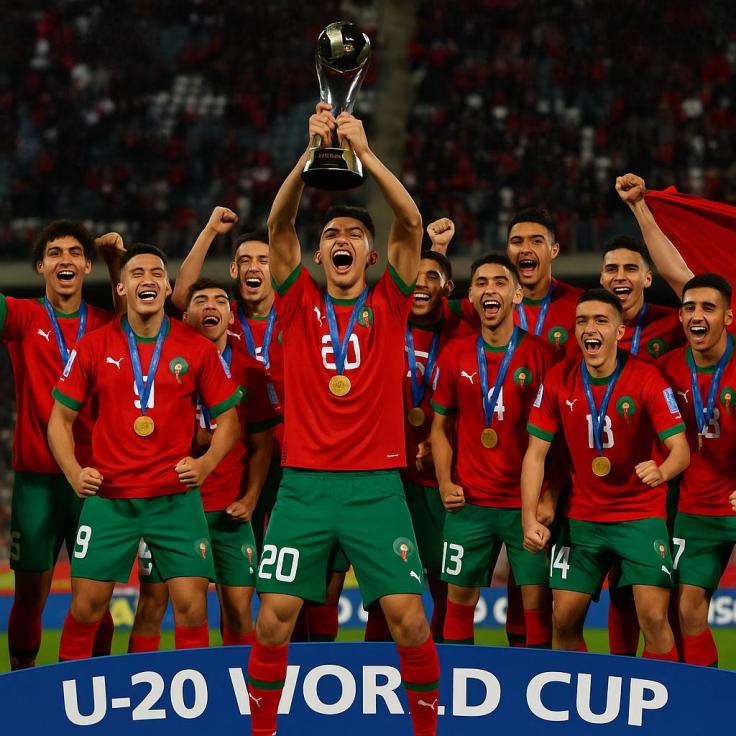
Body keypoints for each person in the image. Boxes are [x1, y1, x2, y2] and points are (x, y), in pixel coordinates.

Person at [246, 103, 439, 736]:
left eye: (354, 235)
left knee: (410, 620)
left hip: (376, 488)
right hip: (303, 486)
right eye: (331, 235)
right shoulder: (297, 301)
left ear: (372, 254)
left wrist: (365, 152)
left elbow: (411, 222)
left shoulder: (392, 302)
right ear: (319, 253)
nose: (341, 242)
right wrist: (309, 155)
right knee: (273, 619)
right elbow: (277, 223)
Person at [47, 244, 241, 659]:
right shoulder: (93, 346)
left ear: (168, 287)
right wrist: (73, 471)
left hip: (175, 501)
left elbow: (230, 421)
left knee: (192, 610)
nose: (148, 279)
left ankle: (193, 695)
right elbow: (59, 420)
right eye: (137, 273)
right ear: (121, 287)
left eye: (156, 273)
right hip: (110, 499)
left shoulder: (196, 348)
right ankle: (65, 696)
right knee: (85, 608)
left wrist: (206, 464)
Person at [522, 288, 690, 659]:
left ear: (619, 331)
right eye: (582, 321)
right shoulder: (559, 378)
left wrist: (662, 470)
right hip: (581, 518)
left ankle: (659, 696)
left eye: (601, 320)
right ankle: (573, 692)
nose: (590, 328)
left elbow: (681, 449)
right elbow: (535, 454)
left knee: (654, 619)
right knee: (563, 619)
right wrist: (528, 518)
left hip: (639, 515)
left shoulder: (646, 378)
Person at [129, 277, 281, 652]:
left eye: (219, 300)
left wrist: (250, 499)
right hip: (171, 508)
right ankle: (149, 683)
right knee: (154, 603)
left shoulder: (250, 370)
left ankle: (240, 685)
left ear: (231, 315)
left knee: (239, 610)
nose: (210, 305)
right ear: (185, 315)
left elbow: (262, 445)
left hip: (228, 512)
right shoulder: (161, 362)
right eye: (200, 300)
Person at [2, 221, 122, 669]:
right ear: (40, 266)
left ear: (87, 265)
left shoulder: (106, 323)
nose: (65, 260)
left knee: (96, 599)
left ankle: (98, 686)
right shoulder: (23, 316)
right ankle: (22, 687)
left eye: (74, 252)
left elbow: (140, 319)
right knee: (30, 597)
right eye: (55, 253)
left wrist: (115, 264)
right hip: (37, 483)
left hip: (94, 482)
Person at [431, 254, 556, 647]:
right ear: (470, 296)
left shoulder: (541, 356)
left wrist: (550, 496)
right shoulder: (454, 354)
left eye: (500, 282)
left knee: (536, 605)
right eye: (481, 283)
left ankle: (534, 680)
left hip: (524, 506)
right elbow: (439, 428)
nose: (490, 289)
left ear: (517, 294)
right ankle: (456, 680)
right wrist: (444, 482)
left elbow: (559, 441)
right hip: (469, 505)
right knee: (458, 602)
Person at [364, 235, 457, 643]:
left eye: (432, 277)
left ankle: (443, 671)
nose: (421, 283)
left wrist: (441, 440)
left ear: (447, 288)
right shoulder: (380, 323)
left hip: (439, 480)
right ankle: (375, 670)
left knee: (445, 587)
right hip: (387, 479)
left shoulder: (462, 328)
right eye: (414, 277)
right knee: (385, 592)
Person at [598, 233, 685, 655]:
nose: (620, 276)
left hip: (667, 482)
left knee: (671, 597)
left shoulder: (674, 323)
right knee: (619, 589)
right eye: (612, 269)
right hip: (605, 483)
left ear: (649, 278)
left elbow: (693, 288)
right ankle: (625, 677)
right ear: (601, 278)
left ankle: (681, 684)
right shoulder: (591, 327)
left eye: (631, 268)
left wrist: (642, 210)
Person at [660, 274, 736, 667]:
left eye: (708, 307)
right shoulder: (666, 370)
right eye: (689, 307)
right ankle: (709, 696)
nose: (697, 315)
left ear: (728, 317)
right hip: (695, 510)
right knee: (688, 608)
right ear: (680, 316)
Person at [506, 208, 582, 353]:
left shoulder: (580, 304)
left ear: (554, 251)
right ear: (508, 251)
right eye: (517, 242)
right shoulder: (494, 308)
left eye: (536, 241)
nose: (525, 249)